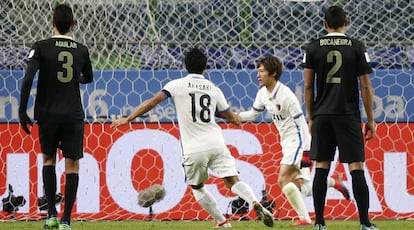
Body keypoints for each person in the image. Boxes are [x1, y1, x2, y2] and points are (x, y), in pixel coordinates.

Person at [110, 48, 274, 228]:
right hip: (216, 142)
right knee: (232, 181)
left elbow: (152, 102)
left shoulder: (176, 84)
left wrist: (128, 118)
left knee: (197, 186)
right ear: (205, 67)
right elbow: (232, 118)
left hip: (193, 147)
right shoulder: (213, 89)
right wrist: (245, 116)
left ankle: (222, 221)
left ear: (185, 66)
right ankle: (254, 202)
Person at [19, 4, 93, 230]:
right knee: (72, 165)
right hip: (72, 114)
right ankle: (66, 221)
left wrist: (22, 110)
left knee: (48, 160)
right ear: (73, 24)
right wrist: (73, 79)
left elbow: (29, 77)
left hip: (47, 114)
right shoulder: (81, 50)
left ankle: (51, 214)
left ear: (52, 23)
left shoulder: (41, 47)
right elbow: (88, 77)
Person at [303, 5, 377, 230]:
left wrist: (311, 116)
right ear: (347, 21)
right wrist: (371, 119)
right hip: (348, 115)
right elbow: (365, 85)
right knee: (356, 166)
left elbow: (307, 86)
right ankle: (364, 223)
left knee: (322, 166)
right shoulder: (356, 46)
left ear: (324, 24)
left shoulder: (313, 47)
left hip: (323, 114)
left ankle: (319, 223)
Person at [237, 56, 313, 226]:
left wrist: (306, 151)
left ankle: (305, 219)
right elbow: (252, 114)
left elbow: (302, 123)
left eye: (262, 71)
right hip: (285, 142)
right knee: (299, 187)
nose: (258, 74)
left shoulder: (287, 96)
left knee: (282, 180)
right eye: (258, 71)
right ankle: (332, 182)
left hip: (298, 140)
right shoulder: (262, 94)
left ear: (273, 73)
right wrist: (234, 116)